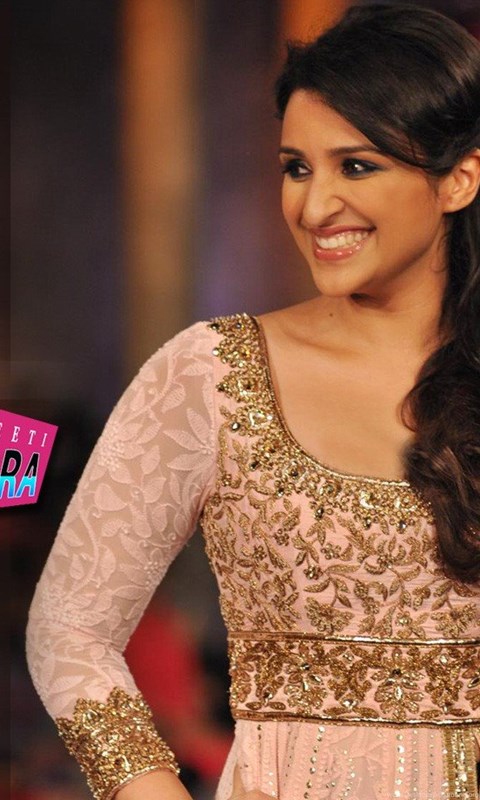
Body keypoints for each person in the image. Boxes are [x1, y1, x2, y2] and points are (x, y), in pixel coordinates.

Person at [26, 4, 480, 799]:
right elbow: (69, 630)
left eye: (356, 166)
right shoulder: (212, 374)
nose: (314, 206)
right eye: (296, 168)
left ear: (459, 179)